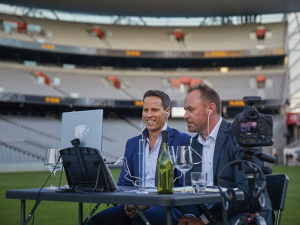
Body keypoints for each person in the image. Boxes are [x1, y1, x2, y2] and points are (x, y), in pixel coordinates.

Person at [87, 90, 190, 225]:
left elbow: (184, 187)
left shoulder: (183, 141)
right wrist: (129, 204)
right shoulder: (132, 143)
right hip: (135, 205)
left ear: (167, 112)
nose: (148, 115)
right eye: (145, 110)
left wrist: (147, 204)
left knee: (141, 220)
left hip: (167, 206)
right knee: (96, 221)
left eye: (154, 110)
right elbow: (124, 183)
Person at [177, 84, 273, 225]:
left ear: (210, 109)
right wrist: (190, 216)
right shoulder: (190, 144)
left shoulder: (241, 138)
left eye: (190, 110)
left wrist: (204, 220)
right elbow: (187, 191)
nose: (185, 115)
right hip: (207, 217)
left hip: (243, 217)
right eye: (185, 110)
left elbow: (246, 193)